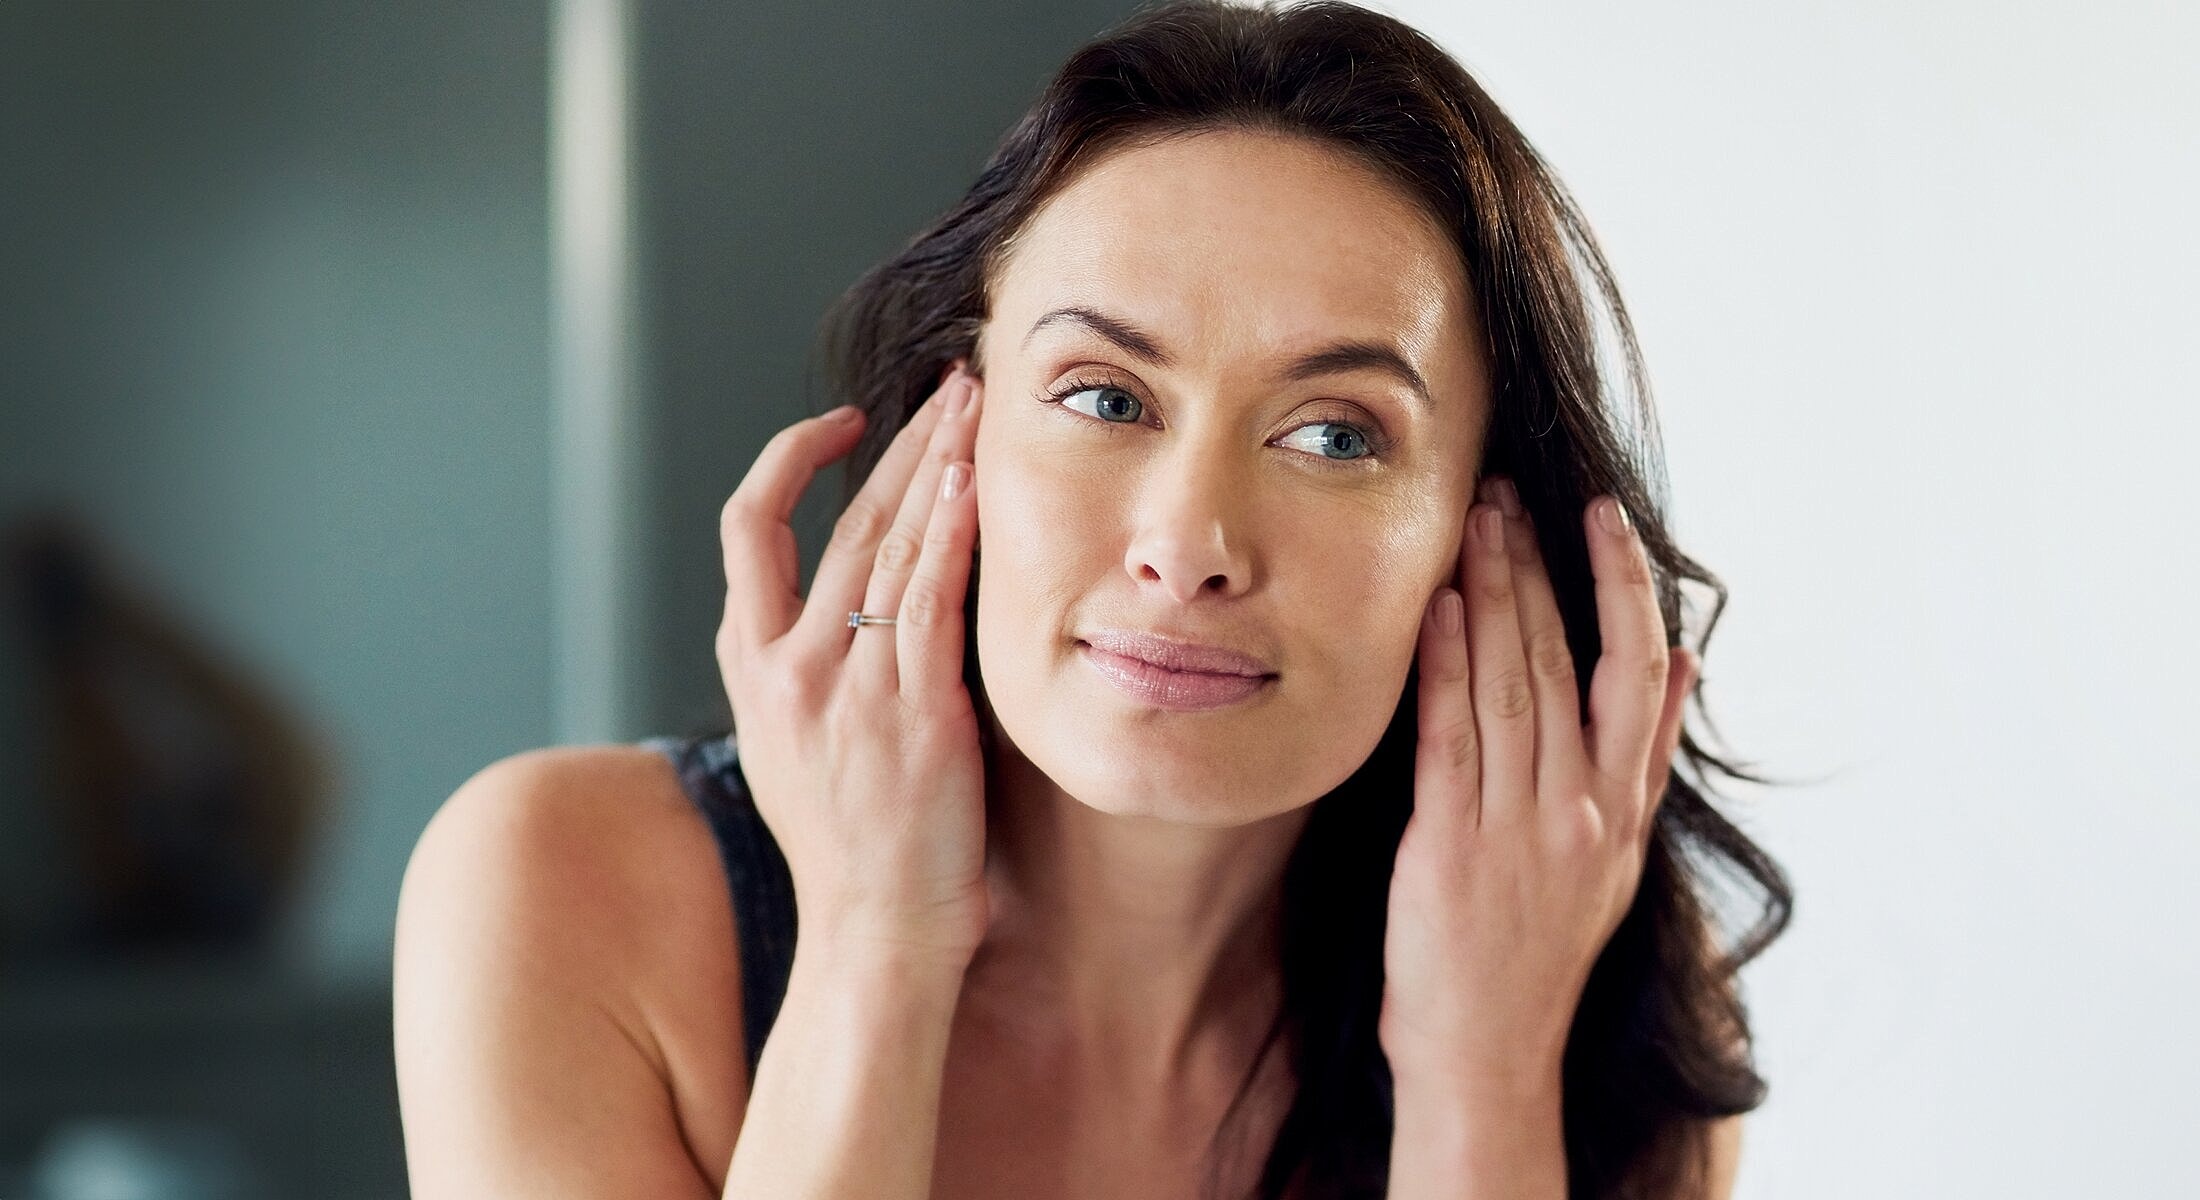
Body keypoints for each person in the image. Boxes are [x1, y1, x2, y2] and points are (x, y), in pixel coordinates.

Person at [392, 1, 1792, 1196]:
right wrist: (876, 941)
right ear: (964, 433)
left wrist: (1479, 1071)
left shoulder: (1613, 1009)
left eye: (1337, 435)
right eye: (1106, 397)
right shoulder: (562, 892)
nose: (1188, 547)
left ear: (1484, 529)